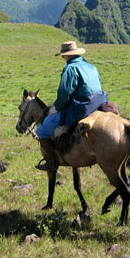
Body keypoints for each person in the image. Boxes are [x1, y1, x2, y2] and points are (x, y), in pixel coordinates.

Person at [35, 41, 108, 172]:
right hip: (98, 102)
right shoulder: (91, 66)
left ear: (67, 56)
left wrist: (56, 107)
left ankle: (51, 163)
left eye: (63, 56)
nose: (63, 58)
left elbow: (64, 94)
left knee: (41, 130)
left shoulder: (70, 69)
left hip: (82, 107)